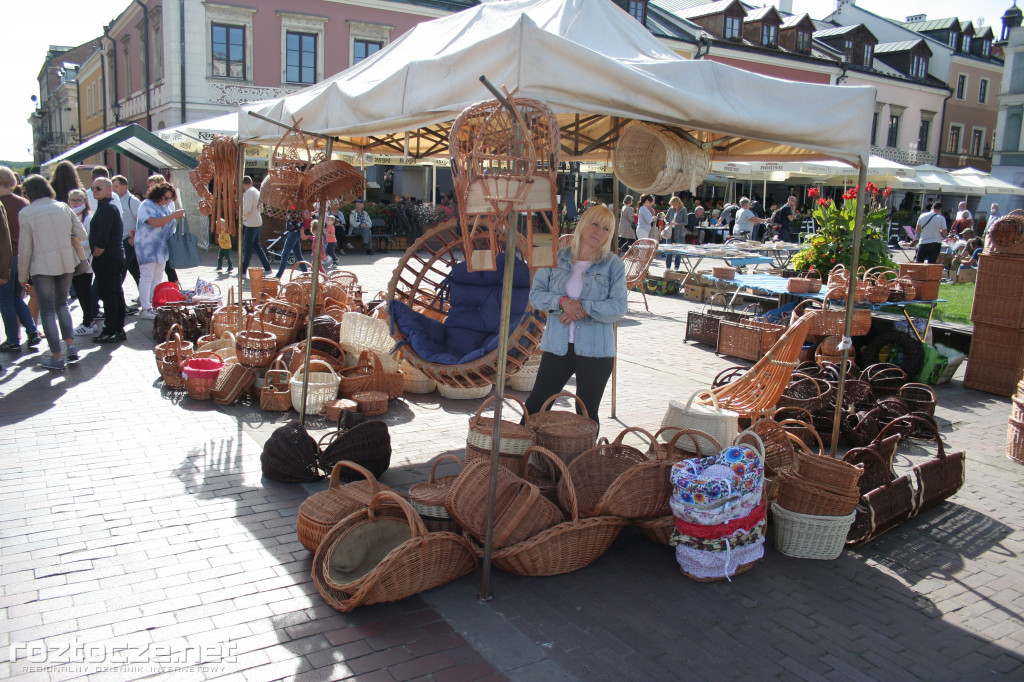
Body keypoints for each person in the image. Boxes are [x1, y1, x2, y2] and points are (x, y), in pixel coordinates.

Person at [523, 205, 627, 428]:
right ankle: (517, 456)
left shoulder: (613, 265)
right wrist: (562, 303)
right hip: (557, 348)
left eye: (606, 229)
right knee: (535, 407)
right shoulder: (555, 258)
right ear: (583, 225)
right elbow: (536, 296)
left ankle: (582, 463)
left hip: (596, 351)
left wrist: (583, 308)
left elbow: (618, 307)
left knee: (586, 415)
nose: (599, 231)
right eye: (595, 224)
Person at [17, 175, 88, 370]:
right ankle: (71, 346)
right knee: (62, 305)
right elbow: (82, 234)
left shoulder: (27, 213)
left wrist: (22, 277)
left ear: (29, 193)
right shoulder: (63, 207)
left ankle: (57, 356)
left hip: (41, 266)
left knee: (47, 311)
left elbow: (25, 249)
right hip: (66, 263)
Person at [0, 166, 39, 353]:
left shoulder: (2, 204)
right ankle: (32, 331)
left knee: (5, 301)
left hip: (5, 259)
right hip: (22, 257)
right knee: (16, 297)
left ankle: (13, 340)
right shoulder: (23, 202)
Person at [136, 182, 185, 318]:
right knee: (147, 276)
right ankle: (145, 308)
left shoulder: (165, 208)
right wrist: (174, 215)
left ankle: (153, 304)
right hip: (147, 248)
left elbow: (169, 227)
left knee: (157, 278)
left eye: (169, 199)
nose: (166, 201)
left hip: (161, 249)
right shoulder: (146, 205)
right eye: (165, 198)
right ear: (158, 195)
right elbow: (154, 222)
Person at [88, 178, 126, 343]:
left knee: (110, 294)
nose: (95, 190)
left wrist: (96, 254)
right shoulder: (106, 207)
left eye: (98, 188)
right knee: (114, 293)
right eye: (93, 188)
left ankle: (112, 329)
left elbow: (103, 237)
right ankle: (116, 329)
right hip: (112, 257)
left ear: (109, 190)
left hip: (108, 258)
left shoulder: (107, 208)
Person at [67, 189, 97, 337]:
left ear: (85, 201)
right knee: (79, 291)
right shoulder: (68, 216)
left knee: (85, 291)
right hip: (72, 260)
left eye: (79, 200)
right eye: (73, 199)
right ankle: (88, 319)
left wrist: (73, 239)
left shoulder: (87, 219)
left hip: (85, 260)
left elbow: (89, 241)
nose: (75, 202)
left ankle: (89, 322)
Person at [240, 176, 272, 275]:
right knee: (257, 247)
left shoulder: (249, 192)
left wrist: (241, 214)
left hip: (251, 223)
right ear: (251, 182)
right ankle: (267, 268)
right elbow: (261, 208)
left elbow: (247, 209)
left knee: (247, 248)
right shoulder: (257, 191)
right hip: (257, 221)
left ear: (243, 184)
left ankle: (243, 271)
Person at [275, 210, 306, 278]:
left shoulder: (296, 210)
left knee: (285, 254)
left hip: (294, 233)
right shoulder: (291, 209)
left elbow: (301, 223)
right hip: (293, 232)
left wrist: (302, 234)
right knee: (298, 255)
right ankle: (306, 273)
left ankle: (278, 275)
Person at [663, 196, 687, 268]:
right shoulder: (671, 209)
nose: (673, 206)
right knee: (669, 249)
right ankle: (668, 266)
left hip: (678, 232)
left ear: (678, 203)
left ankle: (676, 266)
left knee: (677, 250)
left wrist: (678, 224)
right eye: (672, 205)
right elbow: (666, 218)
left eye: (674, 205)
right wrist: (667, 222)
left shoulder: (683, 210)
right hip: (670, 231)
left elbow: (686, 222)